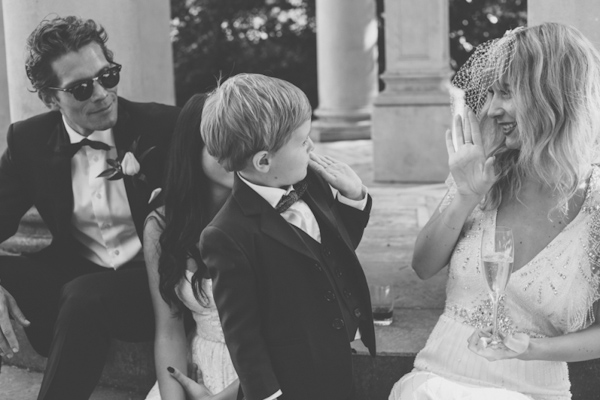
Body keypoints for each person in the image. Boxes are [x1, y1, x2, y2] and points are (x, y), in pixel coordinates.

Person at [389, 23, 600, 400]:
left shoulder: (595, 205)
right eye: (491, 93)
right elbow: (423, 265)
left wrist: (530, 349)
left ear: (551, 97)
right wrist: (467, 195)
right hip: (438, 378)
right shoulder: (485, 169)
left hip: (537, 390)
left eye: (506, 93)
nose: (491, 108)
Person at [0, 16, 180, 400]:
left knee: (86, 297)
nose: (101, 93)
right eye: (81, 88)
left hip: (150, 285)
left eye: (108, 75)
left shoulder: (163, 126)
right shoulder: (27, 140)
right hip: (73, 278)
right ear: (51, 99)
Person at [198, 73, 376, 400]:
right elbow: (243, 336)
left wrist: (354, 196)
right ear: (264, 161)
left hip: (336, 359)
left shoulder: (313, 183)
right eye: (302, 140)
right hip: (293, 378)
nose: (311, 146)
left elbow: (334, 252)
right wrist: (268, 396)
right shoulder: (226, 236)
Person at [143, 93, 238, 400]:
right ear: (192, 146)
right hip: (199, 368)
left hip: (261, 378)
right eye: (222, 141)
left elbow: (289, 336)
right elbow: (169, 330)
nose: (238, 153)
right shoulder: (161, 226)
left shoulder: (270, 216)